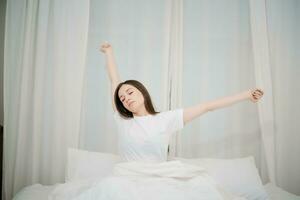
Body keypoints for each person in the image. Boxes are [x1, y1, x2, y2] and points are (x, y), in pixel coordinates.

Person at [100, 41, 264, 163]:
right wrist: (109, 52)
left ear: (142, 93)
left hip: (157, 180)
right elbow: (114, 80)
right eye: (122, 99)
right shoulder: (123, 121)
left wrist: (246, 95)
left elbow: (207, 107)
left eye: (129, 92)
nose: (126, 98)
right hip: (127, 180)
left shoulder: (165, 119)